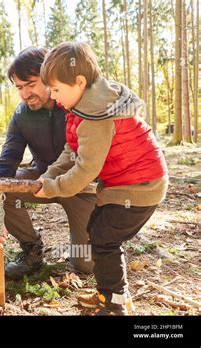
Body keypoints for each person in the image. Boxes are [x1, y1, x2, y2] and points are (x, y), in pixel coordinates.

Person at [37, 42, 168, 315]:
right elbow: (71, 150)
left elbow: (86, 170)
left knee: (105, 238)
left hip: (140, 185)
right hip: (125, 184)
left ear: (79, 81)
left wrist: (52, 189)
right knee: (96, 230)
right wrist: (48, 176)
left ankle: (117, 303)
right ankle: (107, 293)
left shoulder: (96, 116)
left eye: (57, 89)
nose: (53, 95)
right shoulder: (83, 107)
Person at [0, 47, 97, 282]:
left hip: (82, 187)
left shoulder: (76, 102)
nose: (25, 94)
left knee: (87, 263)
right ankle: (32, 250)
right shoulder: (21, 114)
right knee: (4, 188)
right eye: (19, 87)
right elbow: (7, 160)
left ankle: (78, 248)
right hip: (41, 180)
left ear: (49, 76)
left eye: (31, 84)